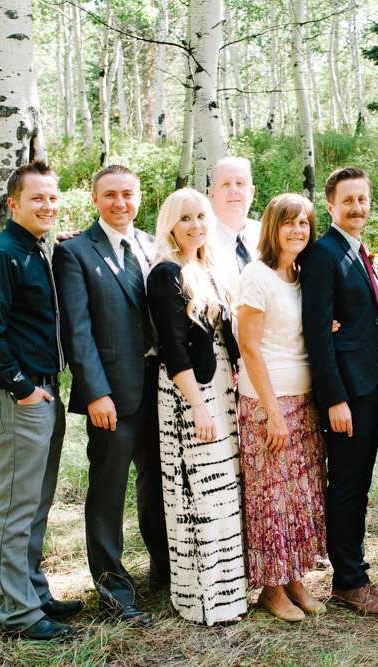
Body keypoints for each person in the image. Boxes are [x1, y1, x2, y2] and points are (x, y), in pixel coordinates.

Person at [53, 165, 169, 626]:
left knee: (159, 485)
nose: (120, 202)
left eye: (128, 194)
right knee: (108, 492)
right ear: (95, 199)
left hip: (160, 388)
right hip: (112, 394)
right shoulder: (75, 252)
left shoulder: (153, 245)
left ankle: (165, 572)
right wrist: (96, 392)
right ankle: (113, 592)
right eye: (110, 195)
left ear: (139, 197)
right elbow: (77, 331)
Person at [0, 160, 80, 640]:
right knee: (16, 506)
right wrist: (22, 389)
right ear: (13, 203)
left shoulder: (37, 250)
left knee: (36, 503)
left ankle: (34, 593)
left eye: (53, 197)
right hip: (18, 398)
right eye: (37, 198)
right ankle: (18, 612)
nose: (47, 206)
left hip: (45, 392)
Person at [146, 188, 248, 625]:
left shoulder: (208, 269)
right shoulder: (165, 274)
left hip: (220, 387)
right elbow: (173, 349)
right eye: (185, 218)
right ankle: (204, 598)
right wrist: (199, 408)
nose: (195, 226)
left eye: (201, 217)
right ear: (170, 224)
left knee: (225, 489)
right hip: (190, 393)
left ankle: (231, 590)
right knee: (198, 491)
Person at [300, 167, 378, 615]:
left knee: (356, 485)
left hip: (369, 386)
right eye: (348, 200)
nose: (357, 207)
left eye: (363, 199)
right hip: (348, 393)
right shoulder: (323, 254)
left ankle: (354, 572)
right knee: (346, 486)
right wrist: (335, 399)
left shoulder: (358, 250)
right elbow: (318, 334)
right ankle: (349, 582)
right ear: (331, 206)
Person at [236, 193, 327, 622]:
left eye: (304, 223)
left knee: (298, 495)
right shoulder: (257, 275)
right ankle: (271, 589)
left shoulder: (301, 275)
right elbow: (250, 347)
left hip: (305, 400)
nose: (297, 230)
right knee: (270, 496)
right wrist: (273, 412)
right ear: (273, 228)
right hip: (267, 402)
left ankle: (294, 579)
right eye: (289, 222)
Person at [209, 156, 261, 295]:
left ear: (252, 192)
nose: (233, 190)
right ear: (212, 193)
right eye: (225, 184)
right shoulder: (201, 241)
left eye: (240, 183)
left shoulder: (267, 234)